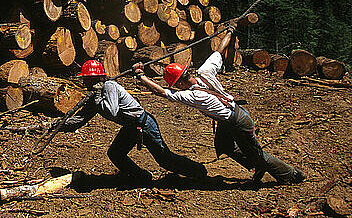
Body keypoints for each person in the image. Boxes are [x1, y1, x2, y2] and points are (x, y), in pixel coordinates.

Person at [132, 23, 306, 185]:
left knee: (258, 155)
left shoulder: (195, 96)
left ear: (179, 84)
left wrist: (141, 75)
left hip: (237, 121)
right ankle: (255, 164)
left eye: (176, 85)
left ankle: (292, 175)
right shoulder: (204, 72)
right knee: (224, 146)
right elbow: (219, 51)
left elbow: (161, 92)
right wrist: (230, 31)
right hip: (232, 116)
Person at [60, 59, 207, 180]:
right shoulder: (95, 96)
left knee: (165, 160)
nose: (84, 82)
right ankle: (140, 176)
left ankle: (199, 172)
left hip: (144, 124)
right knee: (115, 153)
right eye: (84, 78)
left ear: (96, 78)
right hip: (131, 126)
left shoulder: (109, 86)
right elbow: (79, 120)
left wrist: (98, 95)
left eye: (87, 78)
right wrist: (55, 125)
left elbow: (112, 111)